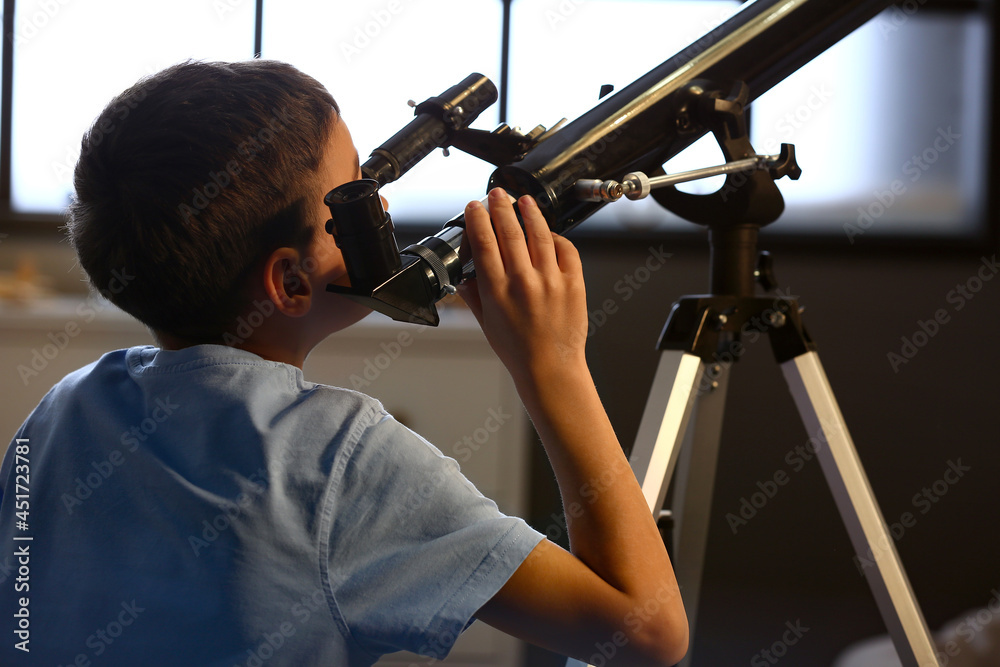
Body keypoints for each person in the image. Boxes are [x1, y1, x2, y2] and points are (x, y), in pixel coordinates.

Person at [0, 60, 686, 666]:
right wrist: (553, 364)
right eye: (357, 190)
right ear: (291, 282)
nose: (381, 204)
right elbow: (649, 630)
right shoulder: (343, 464)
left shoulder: (62, 410)